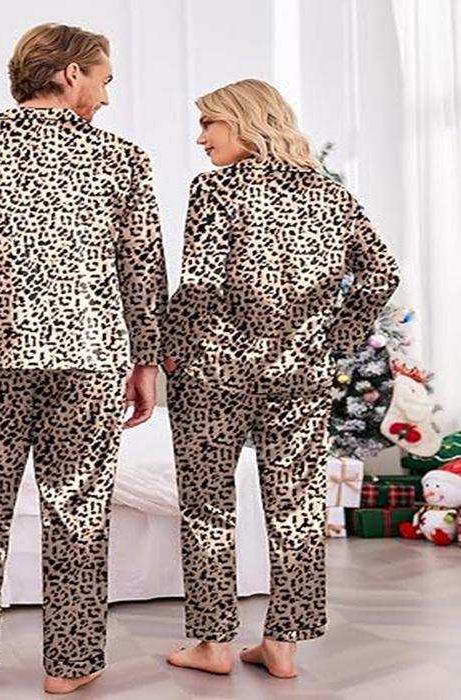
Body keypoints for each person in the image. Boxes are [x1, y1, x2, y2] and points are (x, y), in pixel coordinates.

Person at [0, 22, 167, 694]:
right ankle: (72, 665)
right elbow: (143, 269)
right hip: (91, 362)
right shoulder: (123, 158)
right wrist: (146, 361)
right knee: (81, 513)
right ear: (71, 73)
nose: (107, 96)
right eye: (104, 78)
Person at [161, 78, 400, 679]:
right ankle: (283, 646)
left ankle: (213, 645)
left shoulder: (215, 188)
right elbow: (381, 272)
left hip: (214, 374)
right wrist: (335, 338)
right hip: (300, 375)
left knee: (208, 508)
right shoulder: (330, 193)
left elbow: (200, 284)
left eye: (209, 123)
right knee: (296, 510)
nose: (200, 138)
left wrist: (168, 351)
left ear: (246, 122)